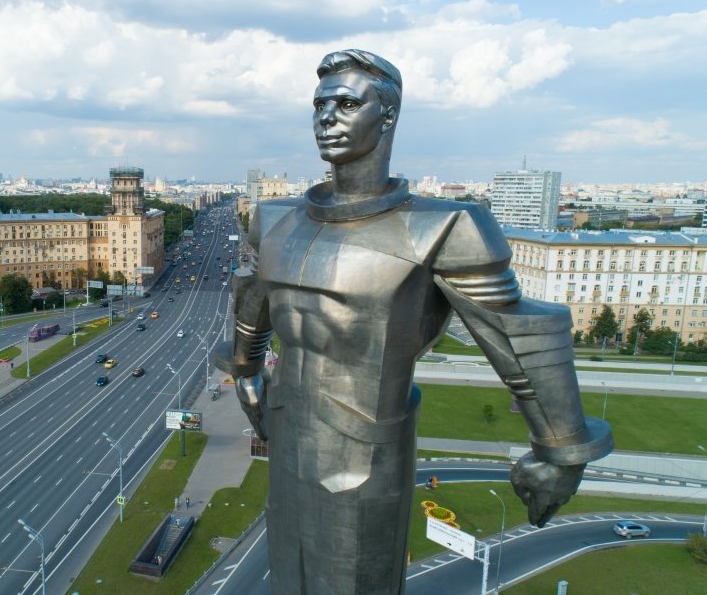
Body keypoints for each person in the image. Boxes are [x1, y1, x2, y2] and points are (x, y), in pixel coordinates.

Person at [213, 49, 612, 595]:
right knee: (290, 575)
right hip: (286, 430)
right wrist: (245, 367)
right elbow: (253, 297)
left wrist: (561, 451)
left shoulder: (444, 226)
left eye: (348, 103)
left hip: (366, 446)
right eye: (319, 104)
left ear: (388, 115)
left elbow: (518, 332)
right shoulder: (277, 218)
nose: (326, 117)